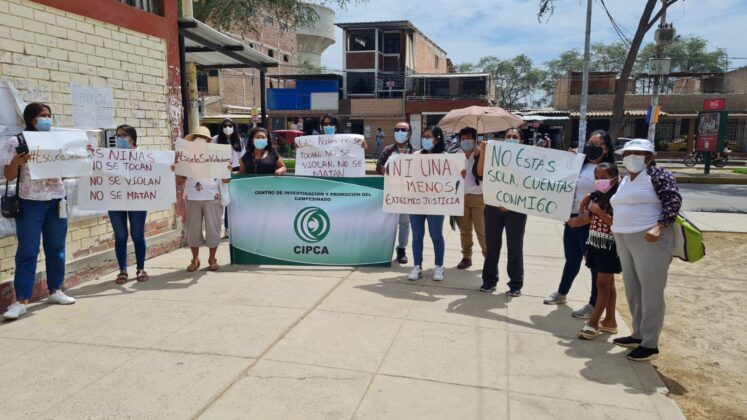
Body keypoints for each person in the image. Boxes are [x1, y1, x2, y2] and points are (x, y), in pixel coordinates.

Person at [2, 103, 75, 320]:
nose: (48, 119)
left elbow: (68, 169)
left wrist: (82, 156)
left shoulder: (58, 140)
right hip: (30, 202)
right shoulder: (16, 142)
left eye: (50, 115)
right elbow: (8, 175)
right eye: (43, 115)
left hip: (57, 200)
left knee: (56, 247)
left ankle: (55, 290)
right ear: (31, 119)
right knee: (28, 250)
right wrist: (17, 161)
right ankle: (21, 300)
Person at [610, 138, 681, 361]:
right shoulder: (625, 180)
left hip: (650, 238)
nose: (630, 157)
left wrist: (660, 226)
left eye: (636, 154)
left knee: (651, 291)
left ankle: (650, 344)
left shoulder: (658, 175)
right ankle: (638, 333)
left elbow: (672, 200)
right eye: (626, 154)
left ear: (649, 158)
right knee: (633, 289)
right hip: (624, 237)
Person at [544, 130, 615, 318]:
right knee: (572, 259)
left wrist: (583, 219)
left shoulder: (605, 171)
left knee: (594, 265)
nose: (592, 147)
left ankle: (593, 304)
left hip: (590, 223)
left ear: (606, 148)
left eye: (597, 144)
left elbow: (605, 201)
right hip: (571, 219)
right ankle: (562, 292)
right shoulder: (580, 165)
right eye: (590, 143)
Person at [476, 128, 527, 297]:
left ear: (521, 141)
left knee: (515, 247)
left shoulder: (528, 159)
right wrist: (483, 151)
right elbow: (480, 173)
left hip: (516, 209)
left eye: (515, 137)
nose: (511, 139)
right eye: (508, 136)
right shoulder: (494, 155)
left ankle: (515, 284)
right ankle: (489, 281)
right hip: (493, 208)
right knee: (492, 246)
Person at [576, 162, 622, 340]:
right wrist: (587, 198)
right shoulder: (598, 195)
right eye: (596, 177)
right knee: (608, 283)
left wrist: (597, 211)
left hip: (609, 245)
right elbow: (591, 199)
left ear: (614, 179)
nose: (599, 181)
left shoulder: (617, 198)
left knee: (602, 284)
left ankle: (593, 322)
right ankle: (610, 320)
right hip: (596, 242)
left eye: (604, 177)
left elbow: (615, 223)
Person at [179, 126, 231, 272]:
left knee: (213, 229)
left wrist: (226, 169)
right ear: (192, 141)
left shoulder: (217, 156)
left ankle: (212, 258)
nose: (199, 140)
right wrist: (176, 168)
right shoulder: (185, 156)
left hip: (212, 196)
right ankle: (195, 258)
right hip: (192, 197)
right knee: (193, 230)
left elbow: (226, 180)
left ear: (208, 141)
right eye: (196, 138)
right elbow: (180, 180)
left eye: (203, 138)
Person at [109, 125, 149, 284]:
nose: (120, 139)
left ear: (133, 137)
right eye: (118, 136)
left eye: (124, 135)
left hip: (137, 199)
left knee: (138, 235)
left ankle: (141, 268)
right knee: (120, 236)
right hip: (115, 199)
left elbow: (157, 173)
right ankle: (122, 270)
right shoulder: (109, 156)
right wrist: (92, 155)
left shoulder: (144, 156)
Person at [408, 127, 447, 281]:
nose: (425, 139)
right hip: (417, 203)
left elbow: (453, 178)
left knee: (436, 236)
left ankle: (439, 267)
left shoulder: (445, 158)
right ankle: (417, 266)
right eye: (423, 136)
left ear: (436, 139)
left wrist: (460, 173)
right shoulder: (415, 156)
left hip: (436, 204)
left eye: (428, 137)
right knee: (417, 236)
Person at [377, 121, 414, 264]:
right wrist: (382, 169)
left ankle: (401, 249)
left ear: (410, 134)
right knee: (386, 222)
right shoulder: (388, 150)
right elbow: (378, 165)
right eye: (397, 129)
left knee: (404, 222)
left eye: (403, 130)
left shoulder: (415, 152)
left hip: (407, 193)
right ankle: (383, 249)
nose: (399, 132)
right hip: (390, 192)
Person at [454, 127, 486, 269]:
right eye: (463, 139)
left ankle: (489, 258)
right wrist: (457, 174)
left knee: (482, 231)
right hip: (462, 197)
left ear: (475, 139)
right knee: (465, 231)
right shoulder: (457, 155)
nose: (465, 141)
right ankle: (466, 257)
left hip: (480, 198)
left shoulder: (482, 154)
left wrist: (481, 154)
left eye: (468, 138)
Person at [214, 118, 244, 237]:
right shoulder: (215, 139)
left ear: (234, 127)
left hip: (234, 171)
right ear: (221, 128)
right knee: (220, 200)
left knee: (232, 200)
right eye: (225, 125)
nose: (228, 128)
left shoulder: (239, 140)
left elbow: (242, 157)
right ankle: (218, 228)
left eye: (230, 125)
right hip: (219, 172)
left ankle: (229, 228)